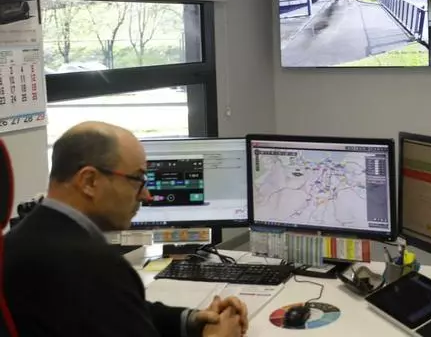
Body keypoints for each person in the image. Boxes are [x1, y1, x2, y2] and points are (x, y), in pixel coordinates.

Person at [2, 122, 249, 337]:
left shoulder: (20, 240)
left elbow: (115, 312)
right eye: (137, 180)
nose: (146, 195)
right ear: (89, 181)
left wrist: (190, 319)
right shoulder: (94, 266)